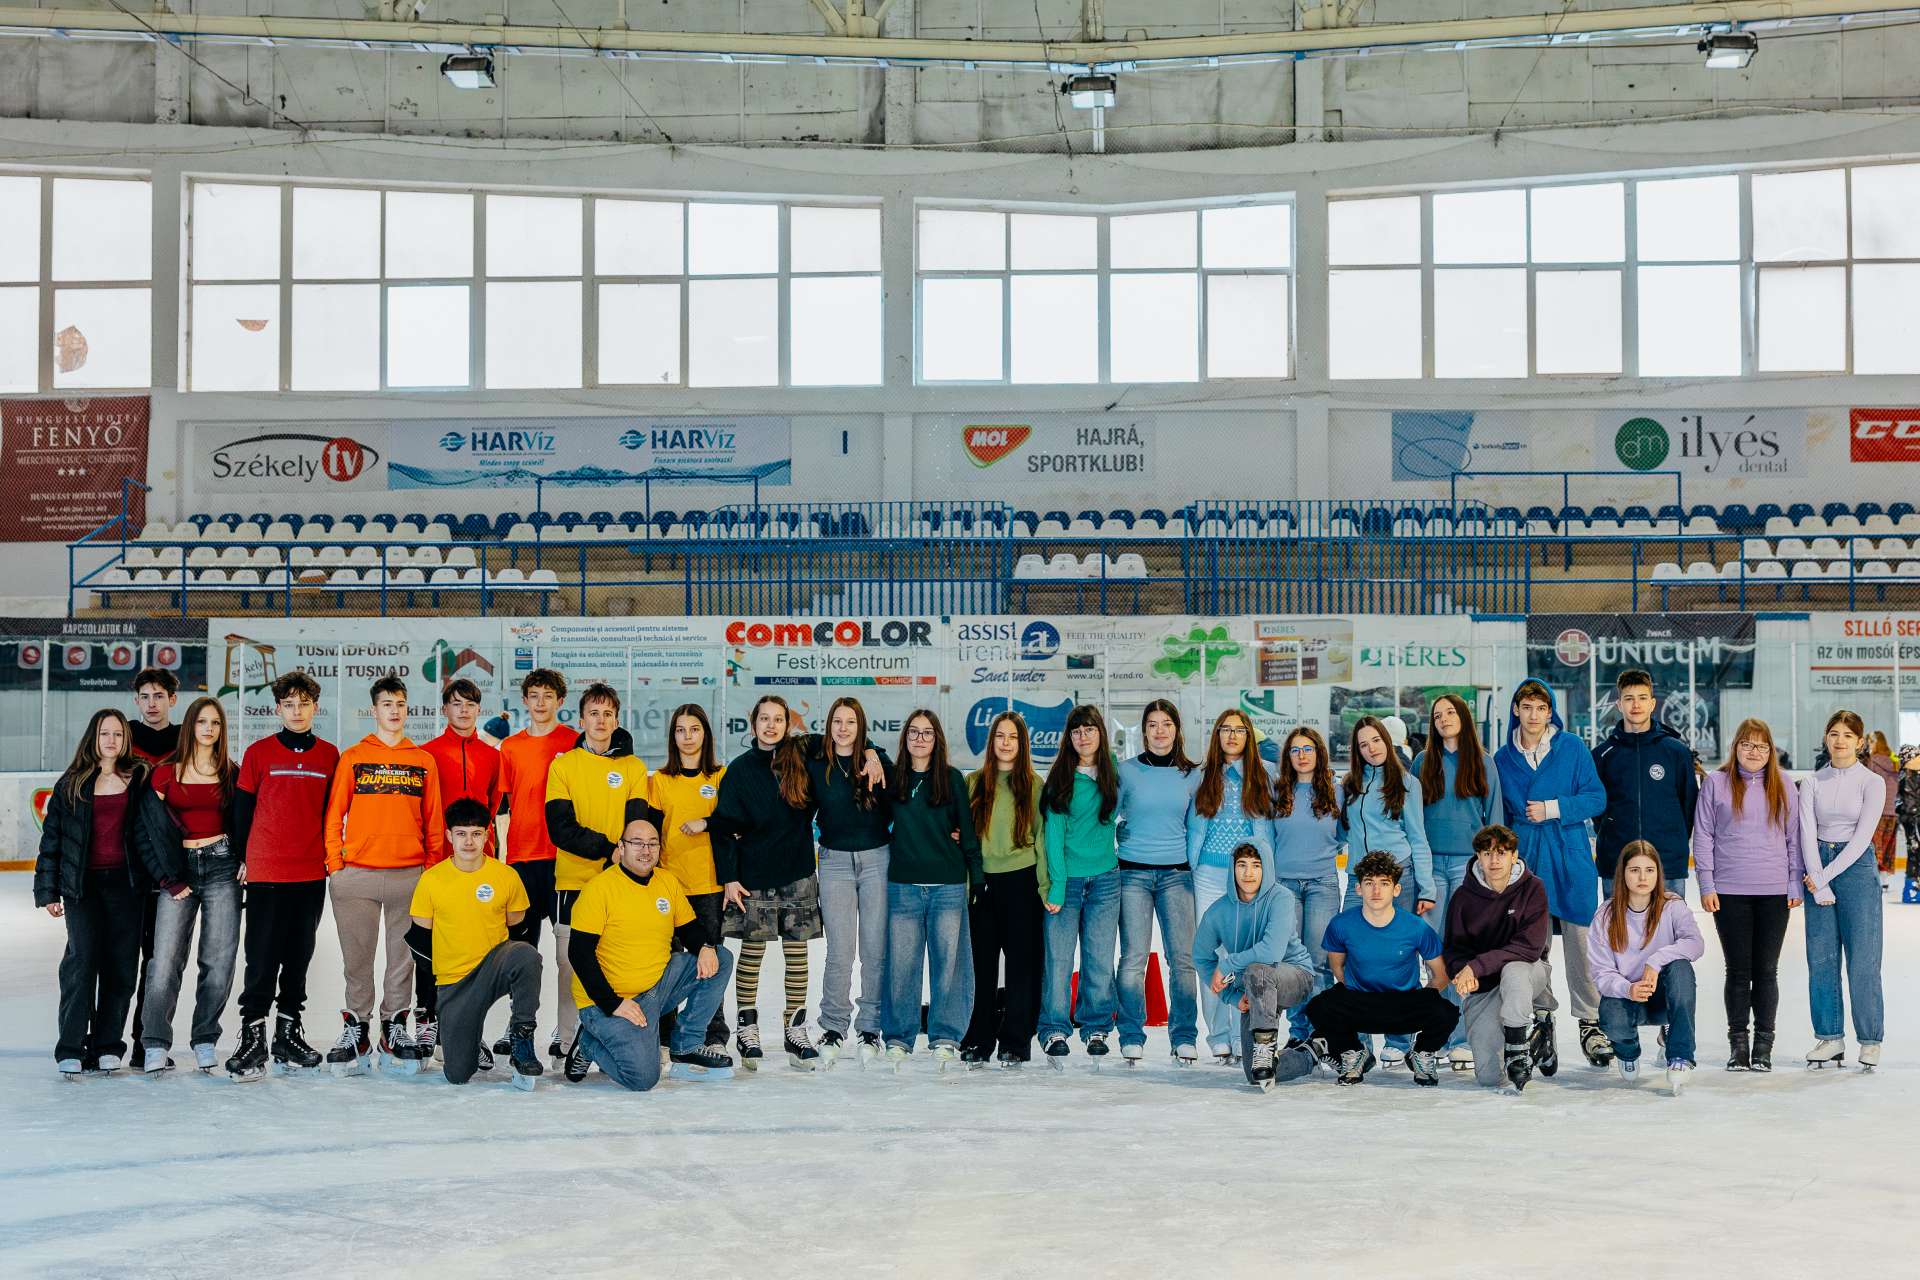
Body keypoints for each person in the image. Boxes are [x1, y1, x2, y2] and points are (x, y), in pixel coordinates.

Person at [322, 675, 445, 1076]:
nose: (394, 711)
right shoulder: (354, 757)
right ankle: (356, 1027)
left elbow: (434, 820)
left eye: (400, 704)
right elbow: (334, 814)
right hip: (356, 876)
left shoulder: (422, 760)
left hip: (408, 875)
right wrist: (335, 866)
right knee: (357, 960)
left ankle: (394, 1027)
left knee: (402, 961)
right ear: (374, 710)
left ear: (407, 710)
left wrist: (430, 868)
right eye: (387, 704)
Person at [567, 808, 736, 1091]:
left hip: (657, 988)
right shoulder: (599, 889)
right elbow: (579, 954)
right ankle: (588, 1042)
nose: (645, 850)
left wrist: (706, 946)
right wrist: (613, 1004)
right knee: (642, 1078)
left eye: (652, 843)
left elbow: (689, 928)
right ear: (621, 847)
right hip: (609, 1001)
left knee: (720, 957)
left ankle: (687, 1043)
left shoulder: (666, 881)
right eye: (637, 843)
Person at [225, 672, 339, 1081]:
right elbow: (241, 811)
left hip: (309, 874)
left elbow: (331, 813)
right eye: (289, 704)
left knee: (297, 957)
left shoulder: (329, 755)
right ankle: (252, 1037)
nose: (297, 711)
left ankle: (288, 1035)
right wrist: (242, 858)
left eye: (304, 703)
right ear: (278, 709)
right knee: (261, 958)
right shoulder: (259, 754)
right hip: (266, 872)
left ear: (315, 707)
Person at [1494, 680, 1611, 1068]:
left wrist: (1553, 808)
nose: (1533, 715)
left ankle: (1590, 1022)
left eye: (1541, 708)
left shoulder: (1572, 747)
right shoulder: (1503, 759)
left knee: (1581, 944)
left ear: (1550, 712)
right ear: (1516, 709)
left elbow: (1596, 798)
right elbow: (1500, 816)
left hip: (1569, 856)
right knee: (1533, 946)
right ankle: (1542, 1018)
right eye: (1526, 707)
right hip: (1528, 860)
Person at [710, 694, 825, 1070]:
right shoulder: (740, 770)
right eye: (764, 718)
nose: (771, 725)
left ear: (788, 724)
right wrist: (728, 876)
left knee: (797, 954)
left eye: (778, 719)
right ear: (753, 723)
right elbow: (722, 828)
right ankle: (747, 1028)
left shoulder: (801, 758)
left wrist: (871, 752)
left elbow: (841, 742)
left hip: (798, 873)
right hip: (754, 876)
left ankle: (795, 1030)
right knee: (752, 952)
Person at [37, 709, 155, 1075]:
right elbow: (53, 839)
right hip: (82, 886)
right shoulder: (72, 783)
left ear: (125, 739)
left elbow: (152, 831)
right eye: (105, 733)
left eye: (118, 734)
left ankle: (107, 1045)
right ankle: (71, 1046)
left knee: (121, 966)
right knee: (82, 962)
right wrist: (48, 890)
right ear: (94, 737)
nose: (111, 740)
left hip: (127, 886)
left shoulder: (137, 778)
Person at [543, 682, 651, 1066]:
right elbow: (561, 828)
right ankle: (567, 1040)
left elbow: (637, 823)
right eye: (594, 713)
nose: (601, 720)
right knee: (570, 964)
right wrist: (609, 849)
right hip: (573, 881)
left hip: (620, 883)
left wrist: (624, 856)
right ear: (581, 719)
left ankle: (609, 1040)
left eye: (608, 714)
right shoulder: (563, 765)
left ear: (616, 720)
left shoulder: (633, 768)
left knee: (615, 963)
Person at [406, 798, 543, 1087]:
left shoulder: (506, 876)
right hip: (454, 980)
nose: (469, 841)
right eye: (461, 833)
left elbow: (519, 929)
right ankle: (469, 1038)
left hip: (493, 967)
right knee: (458, 1074)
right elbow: (421, 944)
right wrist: (433, 1000)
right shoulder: (431, 880)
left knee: (526, 955)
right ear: (449, 836)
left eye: (476, 833)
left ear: (487, 835)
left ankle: (521, 1038)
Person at [137, 695, 240, 1075]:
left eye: (215, 723)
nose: (208, 729)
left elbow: (246, 820)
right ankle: (155, 1042)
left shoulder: (231, 773)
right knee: (164, 961)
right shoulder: (165, 773)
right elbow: (148, 830)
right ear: (190, 726)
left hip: (222, 869)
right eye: (202, 722)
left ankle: (205, 1038)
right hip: (178, 872)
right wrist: (168, 877)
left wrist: (246, 858)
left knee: (219, 960)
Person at [1693, 718, 1801, 1071]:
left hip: (1774, 892)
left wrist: (1794, 882)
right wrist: (1707, 884)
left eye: (1762, 746)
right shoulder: (1716, 783)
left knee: (1766, 971)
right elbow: (1703, 836)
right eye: (1747, 744)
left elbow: (1794, 839)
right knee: (1738, 971)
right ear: (1736, 747)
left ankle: (1763, 1046)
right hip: (1729, 891)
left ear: (1771, 751)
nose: (1754, 752)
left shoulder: (1784, 785)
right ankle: (1738, 1044)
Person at [1304, 851, 1457, 1086]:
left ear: (1396, 889)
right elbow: (1337, 967)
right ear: (1359, 889)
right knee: (1318, 1007)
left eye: (1384, 883)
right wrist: (1357, 991)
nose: (1376, 891)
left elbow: (1442, 974)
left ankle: (1422, 1053)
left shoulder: (1416, 927)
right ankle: (1353, 1052)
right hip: (1361, 1002)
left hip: (1404, 1003)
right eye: (1369, 883)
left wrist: (1422, 997)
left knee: (1446, 1011)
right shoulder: (1341, 924)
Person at [882, 710, 982, 1066]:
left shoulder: (952, 779)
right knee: (902, 966)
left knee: (949, 967)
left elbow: (966, 830)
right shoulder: (893, 779)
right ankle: (899, 1036)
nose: (920, 738)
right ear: (905, 738)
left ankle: (945, 1036)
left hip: (947, 887)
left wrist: (977, 876)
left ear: (937, 738)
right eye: (914, 732)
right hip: (904, 887)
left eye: (927, 732)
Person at [1337, 715, 1434, 1065]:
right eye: (1363, 744)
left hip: (1399, 876)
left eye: (1375, 740)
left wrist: (1426, 887)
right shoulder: (1349, 785)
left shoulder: (1406, 783)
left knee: (1398, 955)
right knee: (1351, 954)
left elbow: (1418, 838)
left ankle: (1399, 1036)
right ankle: (1360, 1039)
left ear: (1386, 741)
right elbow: (1340, 832)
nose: (1371, 749)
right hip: (1359, 880)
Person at [493, 668, 580, 1061]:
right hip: (523, 860)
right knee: (522, 953)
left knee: (568, 955)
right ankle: (519, 1025)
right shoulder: (511, 747)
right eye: (534, 695)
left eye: (548, 695)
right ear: (525, 701)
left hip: (564, 861)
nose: (541, 702)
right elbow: (503, 805)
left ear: (560, 701)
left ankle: (568, 1030)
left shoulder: (573, 742)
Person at [1413, 694, 1502, 1070]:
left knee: (1465, 950)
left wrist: (1493, 868)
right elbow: (1413, 817)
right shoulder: (1423, 762)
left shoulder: (1483, 762)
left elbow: (1494, 816)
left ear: (1464, 717)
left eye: (1450, 712)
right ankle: (1438, 1032)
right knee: (1435, 952)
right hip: (1431, 865)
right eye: (1438, 715)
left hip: (1470, 866)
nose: (1444, 719)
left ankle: (1465, 1037)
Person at [804, 696, 893, 1064]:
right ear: (829, 726)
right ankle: (833, 1026)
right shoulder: (815, 762)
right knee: (840, 951)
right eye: (837, 721)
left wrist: (872, 752)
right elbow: (801, 741)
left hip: (876, 860)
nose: (843, 728)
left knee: (874, 950)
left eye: (851, 722)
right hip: (835, 862)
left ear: (861, 727)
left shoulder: (877, 762)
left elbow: (899, 805)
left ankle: (870, 1026)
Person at [1189, 843, 1319, 1091]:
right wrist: (1231, 996)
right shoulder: (1219, 911)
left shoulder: (1280, 897)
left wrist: (1227, 964)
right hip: (1255, 989)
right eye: (1242, 865)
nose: (1248, 873)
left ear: (1266, 868)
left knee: (1257, 969)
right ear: (1232, 868)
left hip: (1295, 977)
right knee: (1256, 1073)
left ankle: (1265, 1045)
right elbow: (1200, 956)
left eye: (1256, 866)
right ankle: (1311, 1054)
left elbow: (1272, 952)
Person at [1185, 708, 1274, 1063]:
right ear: (1217, 735)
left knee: (1243, 952)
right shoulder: (1202, 776)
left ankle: (1241, 1034)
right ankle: (1218, 1034)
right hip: (1209, 874)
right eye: (1225, 729)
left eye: (1239, 730)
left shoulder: (1265, 775)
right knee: (1213, 953)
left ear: (1249, 736)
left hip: (1247, 876)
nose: (1232, 735)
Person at [1798, 710, 1885, 1069]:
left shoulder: (1872, 782)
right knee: (1821, 959)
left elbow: (1862, 838)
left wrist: (1824, 877)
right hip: (1817, 864)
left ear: (1859, 742)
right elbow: (1806, 832)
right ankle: (1830, 1037)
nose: (1840, 741)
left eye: (1848, 735)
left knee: (1863, 960)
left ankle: (1870, 1039)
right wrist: (1816, 878)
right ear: (1826, 738)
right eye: (1834, 733)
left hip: (1856, 868)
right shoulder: (1812, 782)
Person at [1115, 700, 1200, 1067]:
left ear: (1177, 729)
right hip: (1132, 874)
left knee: (1182, 959)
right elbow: (1106, 815)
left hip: (1177, 876)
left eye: (1167, 723)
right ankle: (1131, 1035)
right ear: (1144, 731)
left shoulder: (1193, 775)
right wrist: (1118, 831)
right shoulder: (1126, 771)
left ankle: (1184, 1036)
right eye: (1153, 724)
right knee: (1133, 958)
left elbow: (1199, 826)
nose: (1160, 730)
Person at [1038, 704, 1122, 1068]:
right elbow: (1053, 836)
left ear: (1100, 733)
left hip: (1106, 879)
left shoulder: (1113, 772)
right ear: (1068, 738)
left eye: (1089, 729)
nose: (1083, 736)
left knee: (1099, 959)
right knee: (1059, 960)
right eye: (1076, 731)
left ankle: (1097, 1027)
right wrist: (1057, 885)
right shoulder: (1060, 778)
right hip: (1068, 881)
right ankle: (1054, 1029)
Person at [963, 710, 1048, 1067]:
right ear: (991, 741)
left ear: (1022, 743)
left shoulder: (1034, 785)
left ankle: (1015, 1041)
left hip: (1022, 881)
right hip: (983, 883)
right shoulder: (973, 782)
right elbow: (963, 836)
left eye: (1013, 737)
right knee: (981, 966)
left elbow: (1041, 839)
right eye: (1000, 736)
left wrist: (1045, 887)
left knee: (1021, 967)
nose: (1006, 742)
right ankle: (978, 1038)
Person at [1444, 824, 1555, 1092]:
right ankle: (1541, 1039)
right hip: (1486, 985)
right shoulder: (1463, 897)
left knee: (1514, 971)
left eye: (1502, 853)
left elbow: (1529, 947)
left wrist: (1476, 966)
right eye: (1487, 853)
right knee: (1489, 1077)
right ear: (1478, 857)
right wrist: (1463, 973)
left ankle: (1517, 1049)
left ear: (1514, 856)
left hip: (1529, 972)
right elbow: (1454, 950)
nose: (1494, 860)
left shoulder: (1533, 888)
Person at [1589, 841, 1704, 1094]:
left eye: (1649, 870)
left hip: (1664, 997)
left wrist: (1655, 961)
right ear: (1623, 873)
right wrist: (1628, 989)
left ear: (1658, 873)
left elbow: (1695, 944)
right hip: (1628, 999)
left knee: (1681, 967)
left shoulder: (1672, 905)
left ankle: (1680, 1055)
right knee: (1611, 1014)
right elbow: (1601, 973)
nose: (1643, 877)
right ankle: (1628, 1051)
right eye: (1635, 870)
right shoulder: (1606, 914)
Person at [648, 703, 728, 1053]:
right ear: (673, 737)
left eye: (694, 729)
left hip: (709, 885)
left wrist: (706, 824)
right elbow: (652, 832)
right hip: (669, 885)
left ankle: (712, 1032)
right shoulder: (660, 780)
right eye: (680, 730)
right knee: (666, 963)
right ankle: (664, 1033)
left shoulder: (720, 777)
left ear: (705, 734)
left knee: (709, 961)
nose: (688, 736)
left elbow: (731, 823)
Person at [1592, 669, 1698, 899]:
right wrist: (1614, 830)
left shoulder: (1676, 752)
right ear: (1619, 704)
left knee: (1669, 923)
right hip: (1617, 862)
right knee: (1618, 924)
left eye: (1642, 698)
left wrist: (1673, 839)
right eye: (1629, 698)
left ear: (1652, 703)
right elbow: (1597, 810)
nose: (1636, 705)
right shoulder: (1602, 755)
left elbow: (1689, 805)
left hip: (1667, 863)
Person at [1269, 726, 1343, 1050]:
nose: (1302, 755)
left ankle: (1320, 1032)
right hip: (1284, 885)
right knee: (1293, 962)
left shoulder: (1336, 792)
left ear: (1319, 753)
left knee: (1319, 961)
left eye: (1308, 749)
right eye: (1295, 750)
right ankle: (1299, 1031)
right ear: (1288, 756)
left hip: (1322, 883)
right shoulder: (1277, 791)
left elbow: (1345, 834)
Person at [124, 667, 179, 1060]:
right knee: (118, 956)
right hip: (125, 863)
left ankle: (146, 1042)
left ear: (172, 700)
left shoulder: (186, 740)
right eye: (145, 696)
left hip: (168, 865)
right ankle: (103, 1040)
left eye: (159, 696)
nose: (152, 703)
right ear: (136, 700)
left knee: (158, 959)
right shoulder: (122, 739)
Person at [1865, 730, 1900, 892]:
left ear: (1876, 743)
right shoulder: (1895, 762)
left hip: (1877, 810)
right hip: (1893, 811)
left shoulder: (1872, 761)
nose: (1869, 746)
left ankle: (1875, 878)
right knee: (1888, 847)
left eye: (1870, 742)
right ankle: (1884, 879)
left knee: (1874, 845)